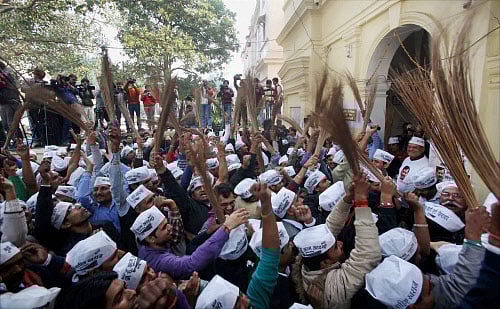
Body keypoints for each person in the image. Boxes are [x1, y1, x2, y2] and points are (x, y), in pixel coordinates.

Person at [0, 61, 22, 146]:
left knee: (11, 123)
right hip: (4, 102)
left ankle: (18, 142)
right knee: (5, 124)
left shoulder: (5, 75)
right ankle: (13, 141)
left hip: (10, 101)